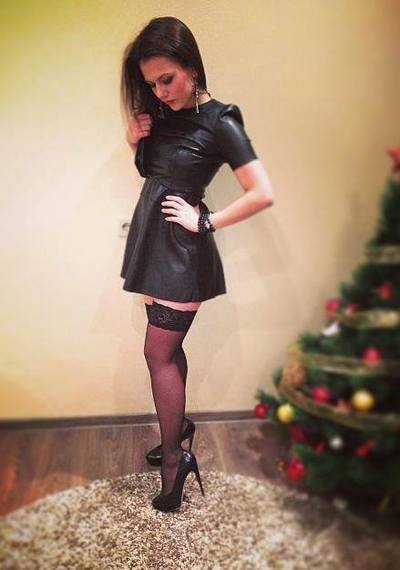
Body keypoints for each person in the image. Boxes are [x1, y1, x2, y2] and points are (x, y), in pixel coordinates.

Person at [120, 16, 274, 512]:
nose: (160, 92)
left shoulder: (221, 120)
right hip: (152, 243)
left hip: (181, 251)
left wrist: (206, 221)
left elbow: (262, 192)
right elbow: (154, 171)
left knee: (157, 354)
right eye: (151, 84)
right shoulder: (160, 116)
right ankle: (177, 428)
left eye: (166, 79)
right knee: (168, 351)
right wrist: (135, 138)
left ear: (192, 66)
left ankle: (175, 459)